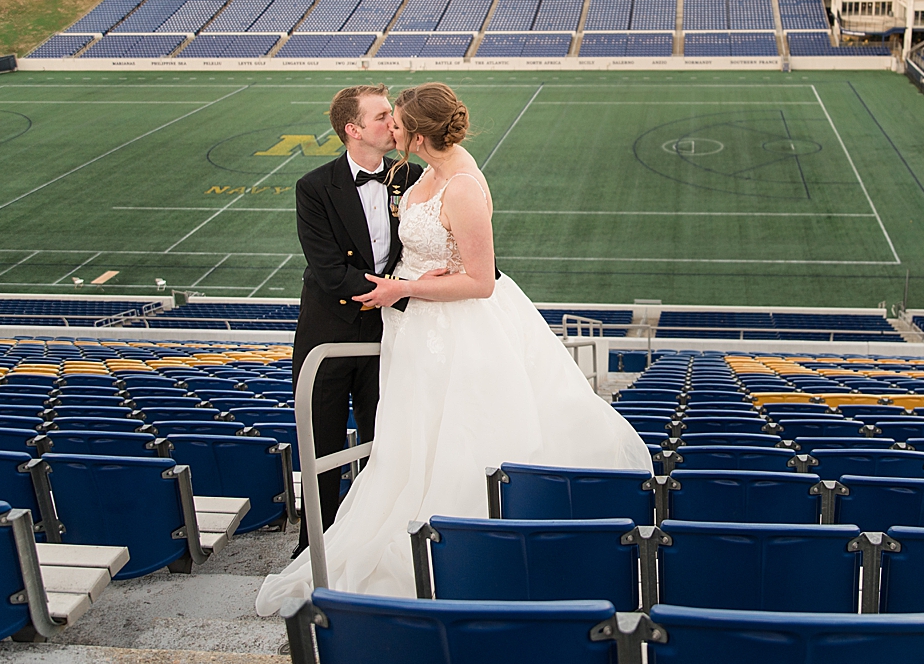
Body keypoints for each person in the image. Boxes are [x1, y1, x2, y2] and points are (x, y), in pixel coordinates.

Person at [257, 82, 650, 611]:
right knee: (397, 441)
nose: (390, 127)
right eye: (381, 118)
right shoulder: (392, 177)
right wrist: (414, 284)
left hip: (439, 324)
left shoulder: (448, 181)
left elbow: (481, 276)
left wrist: (411, 287)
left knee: (455, 435)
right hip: (389, 326)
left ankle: (462, 547)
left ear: (416, 135)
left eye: (394, 120)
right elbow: (344, 264)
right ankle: (325, 539)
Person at [289, 84, 422, 556]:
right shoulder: (314, 187)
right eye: (383, 115)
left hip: (388, 332)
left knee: (381, 442)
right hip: (328, 335)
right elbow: (328, 271)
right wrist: (390, 295)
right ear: (353, 129)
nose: (393, 121)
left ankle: (369, 545)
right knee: (322, 448)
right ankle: (313, 552)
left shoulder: (413, 176)